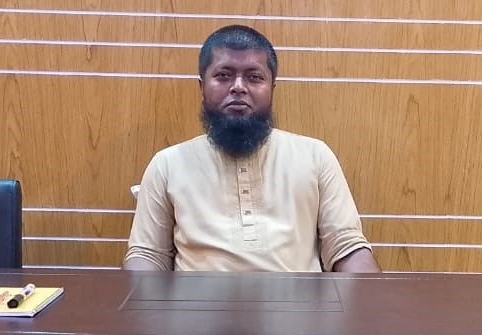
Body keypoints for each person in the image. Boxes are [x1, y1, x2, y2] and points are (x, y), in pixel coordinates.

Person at [123, 25, 381, 273]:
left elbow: (347, 248)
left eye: (254, 77)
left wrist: (373, 300)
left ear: (272, 88)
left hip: (297, 303)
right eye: (223, 75)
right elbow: (148, 255)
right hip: (197, 304)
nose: (238, 86)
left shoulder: (315, 156)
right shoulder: (168, 164)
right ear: (202, 87)